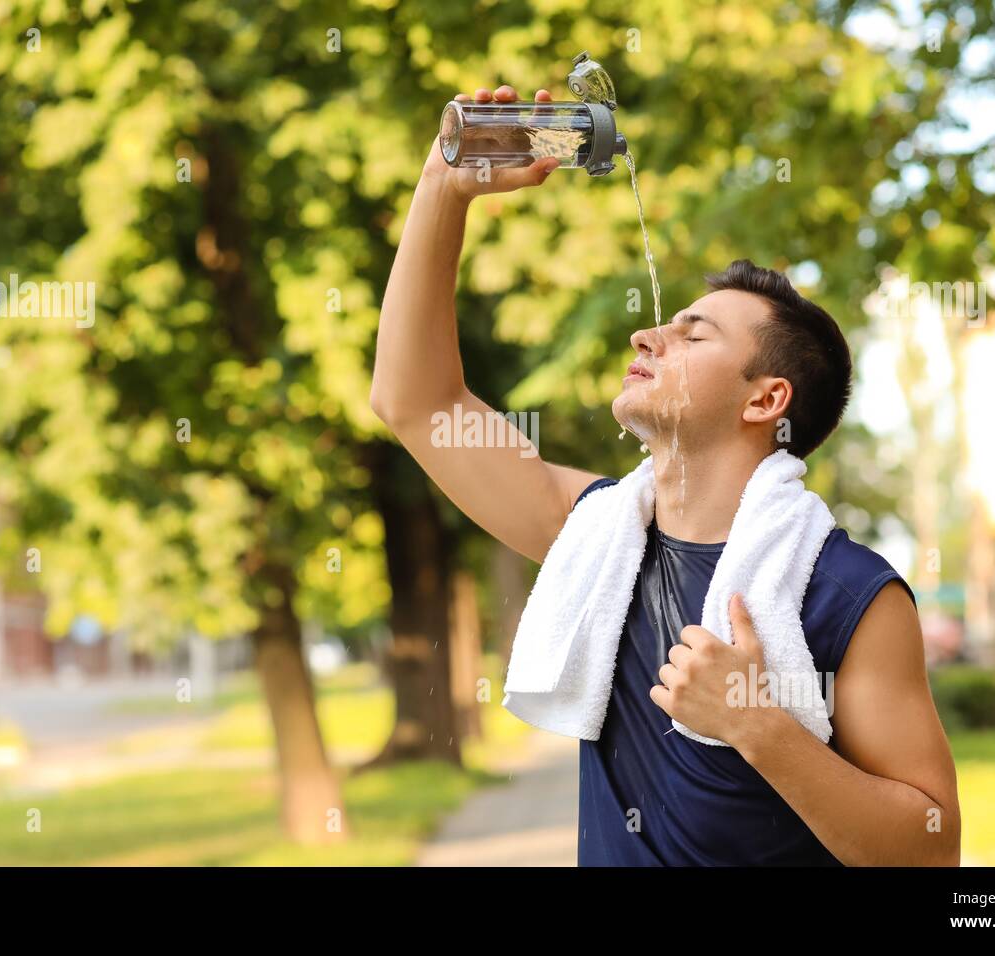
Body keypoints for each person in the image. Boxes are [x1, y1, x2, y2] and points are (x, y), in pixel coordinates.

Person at [370, 84, 960, 866]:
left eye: (694, 333)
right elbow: (414, 400)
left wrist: (758, 724)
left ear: (766, 399)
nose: (648, 334)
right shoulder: (593, 534)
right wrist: (442, 186)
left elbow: (930, 848)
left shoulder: (849, 595)